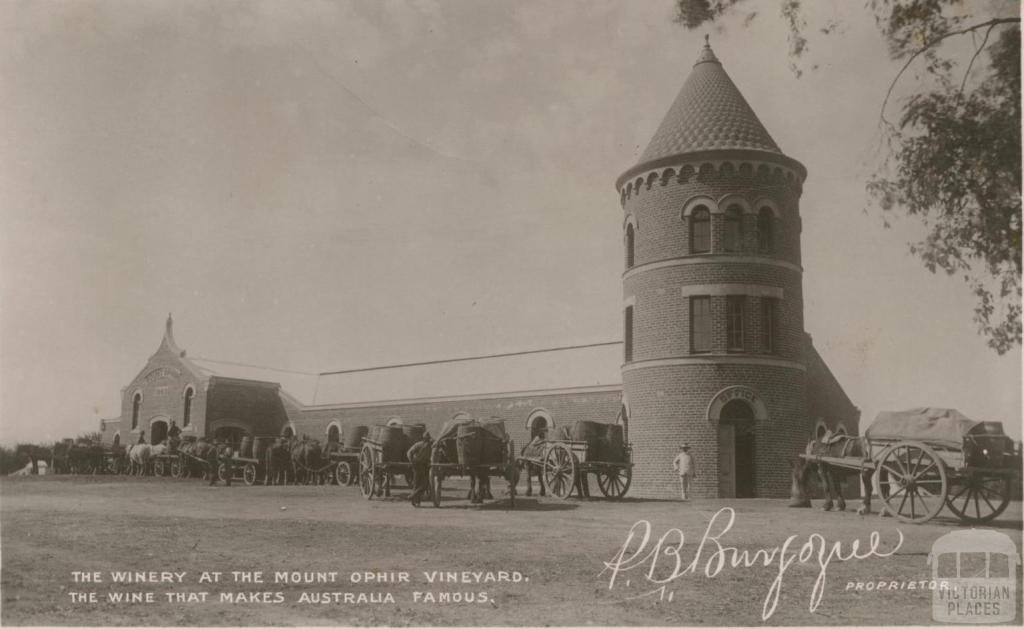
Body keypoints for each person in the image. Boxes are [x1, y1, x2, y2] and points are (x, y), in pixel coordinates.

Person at [406, 432, 434, 507]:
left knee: (418, 483)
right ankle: (412, 497)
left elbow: (409, 453)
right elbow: (409, 452)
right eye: (427, 439)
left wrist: (412, 461)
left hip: (422, 465)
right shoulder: (422, 445)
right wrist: (412, 461)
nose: (428, 440)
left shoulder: (425, 445)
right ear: (425, 439)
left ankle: (415, 500)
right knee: (424, 484)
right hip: (418, 465)